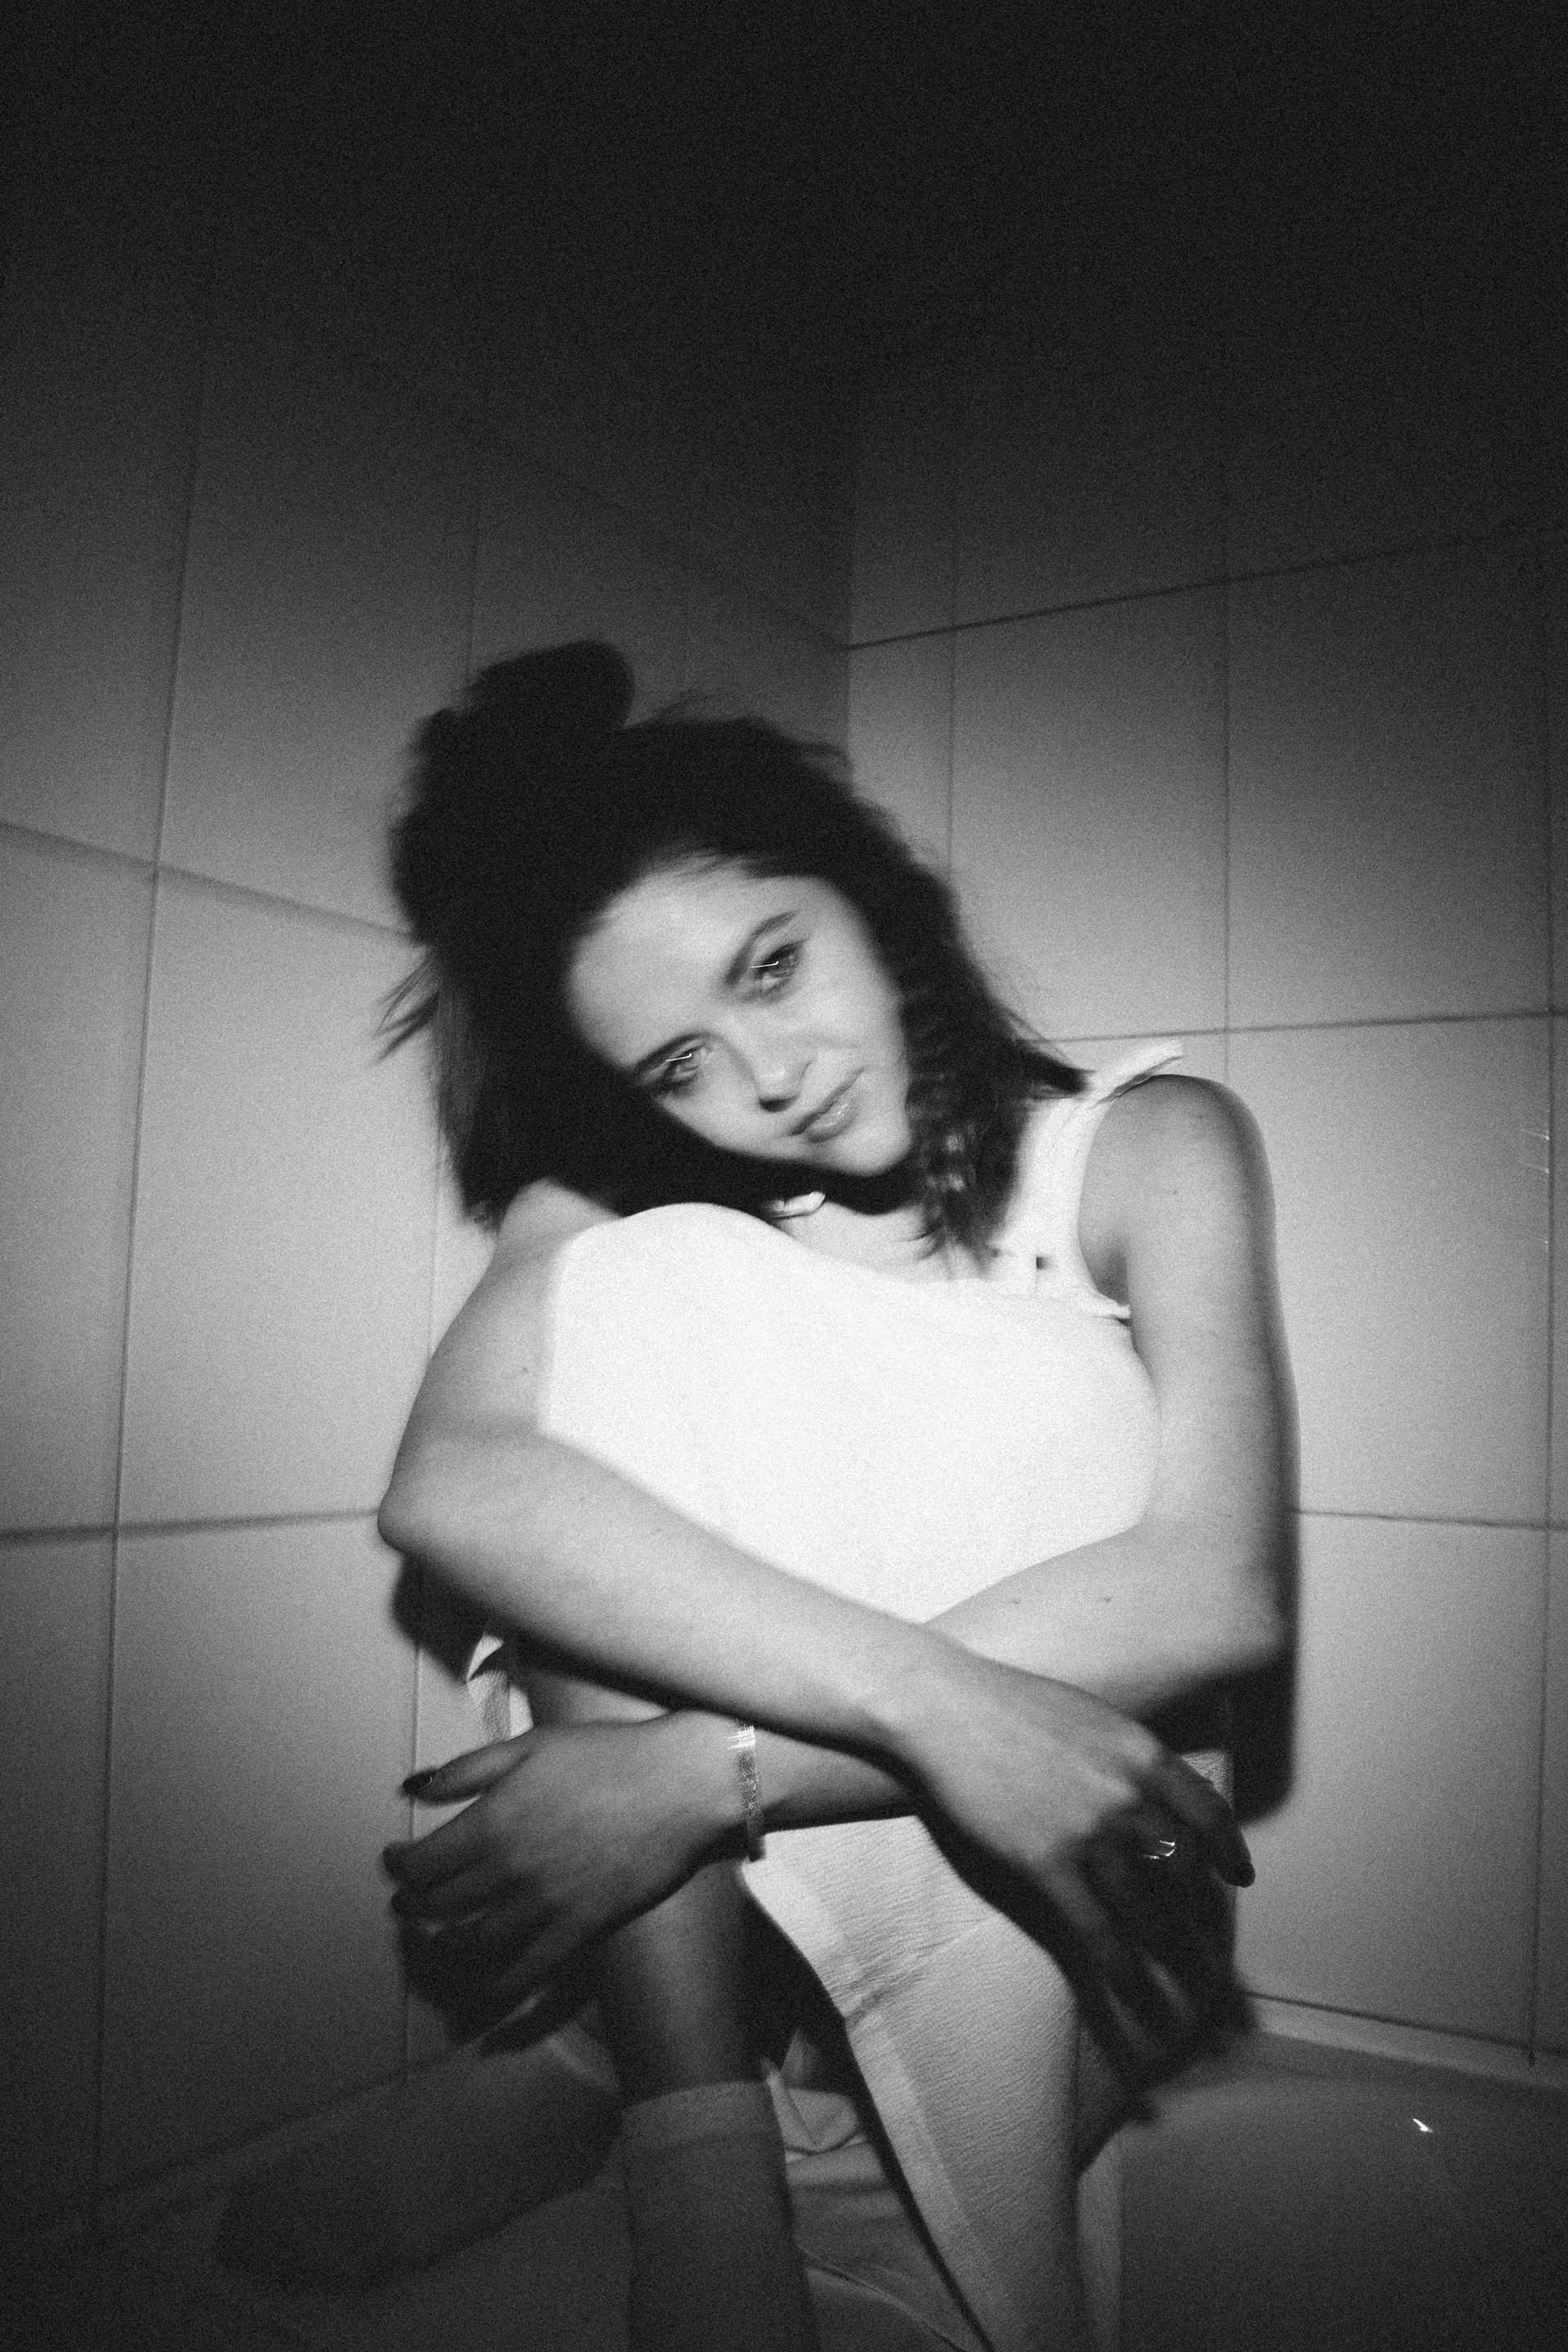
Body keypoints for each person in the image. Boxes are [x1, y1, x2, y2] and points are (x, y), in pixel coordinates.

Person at [224, 641, 1290, 2351]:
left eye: (774, 965)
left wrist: (689, 1779)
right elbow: (459, 1487)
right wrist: (934, 1701)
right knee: (633, 1296)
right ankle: (688, 2133)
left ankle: (611, 2059)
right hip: (795, 1895)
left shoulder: (1147, 1145)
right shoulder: (661, 1222)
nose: (771, 1076)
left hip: (1104, 1868)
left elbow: (1214, 1590)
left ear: (870, 893)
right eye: (682, 1065)